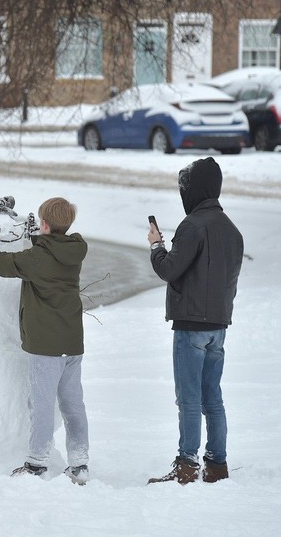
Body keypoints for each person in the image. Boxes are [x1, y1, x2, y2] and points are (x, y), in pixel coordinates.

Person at [0, 197, 90, 485]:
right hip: (72, 343)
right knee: (72, 405)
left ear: (44, 224)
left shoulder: (36, 259)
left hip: (46, 346)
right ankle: (80, 463)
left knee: (41, 405)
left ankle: (37, 462)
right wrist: (35, 234)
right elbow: (46, 251)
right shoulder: (74, 249)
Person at [146, 156, 243, 485]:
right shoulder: (232, 230)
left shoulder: (192, 226)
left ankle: (186, 465)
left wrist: (157, 245)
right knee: (212, 396)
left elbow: (168, 269)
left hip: (191, 328)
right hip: (219, 327)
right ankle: (217, 464)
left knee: (189, 398)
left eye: (185, 188)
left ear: (196, 189)